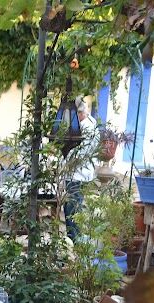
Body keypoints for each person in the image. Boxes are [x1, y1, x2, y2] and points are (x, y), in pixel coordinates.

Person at [63, 97, 99, 240]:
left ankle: (75, 243)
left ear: (79, 113)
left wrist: (62, 155)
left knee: (72, 211)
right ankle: (73, 241)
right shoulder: (86, 125)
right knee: (71, 209)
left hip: (78, 175)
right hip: (76, 174)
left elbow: (80, 154)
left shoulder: (87, 127)